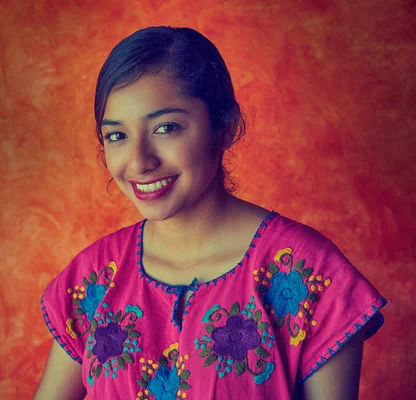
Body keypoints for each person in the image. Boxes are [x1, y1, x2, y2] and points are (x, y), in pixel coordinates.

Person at [34, 26, 386, 400]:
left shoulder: (308, 274)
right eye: (117, 135)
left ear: (224, 128)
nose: (139, 161)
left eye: (165, 128)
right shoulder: (92, 280)